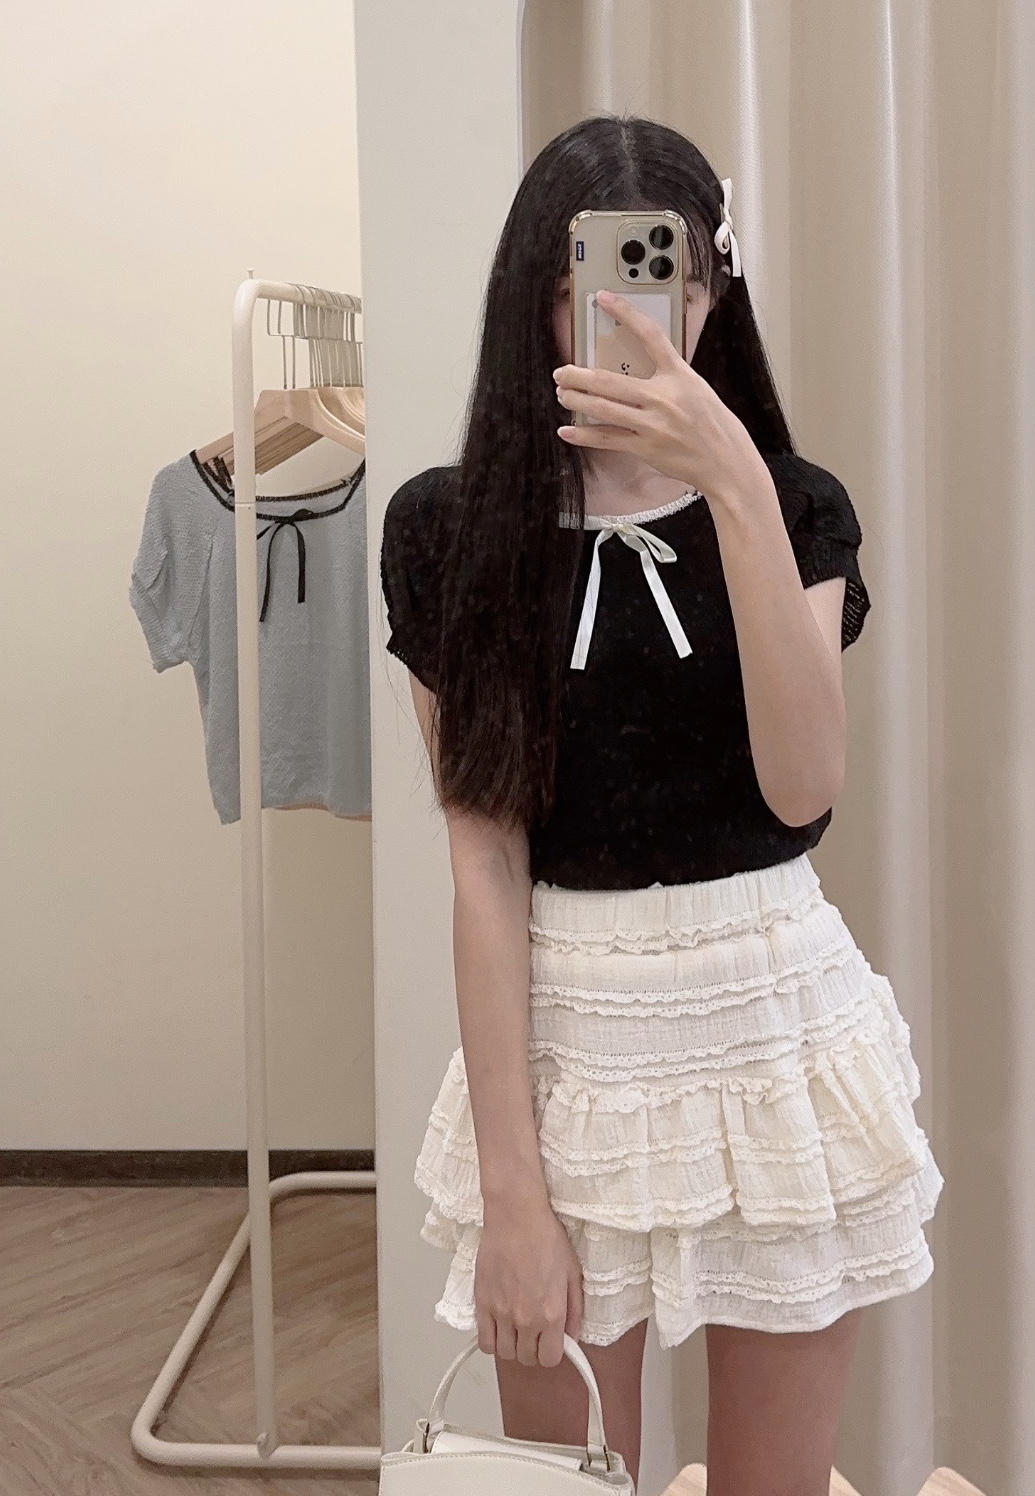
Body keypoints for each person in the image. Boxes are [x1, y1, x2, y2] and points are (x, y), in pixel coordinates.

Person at [380, 114, 942, 1494]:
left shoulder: (792, 505)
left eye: (671, 279)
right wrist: (513, 1195)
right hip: (567, 1054)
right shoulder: (449, 530)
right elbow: (483, 869)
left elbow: (804, 788)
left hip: (774, 1028)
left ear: (712, 293)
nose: (638, 315)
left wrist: (732, 479)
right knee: (568, 1482)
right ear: (540, 296)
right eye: (594, 279)